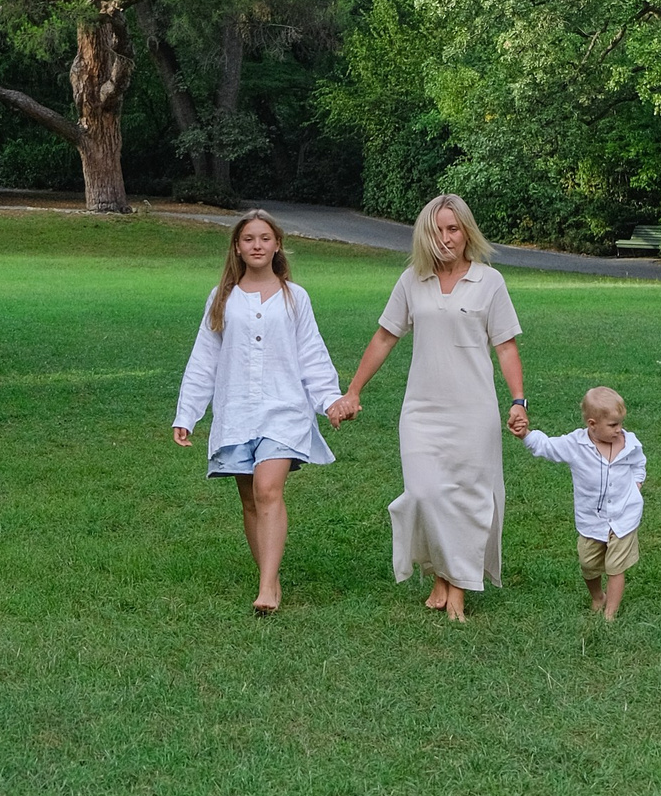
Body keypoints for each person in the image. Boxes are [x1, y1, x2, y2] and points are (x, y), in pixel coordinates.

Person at [328, 193, 527, 623]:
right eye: (436, 231)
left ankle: (455, 588)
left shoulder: (490, 282)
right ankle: (442, 572)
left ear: (466, 232)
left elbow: (506, 347)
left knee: (469, 500)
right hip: (421, 411)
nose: (445, 238)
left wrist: (518, 402)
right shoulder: (411, 281)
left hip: (474, 412)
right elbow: (385, 336)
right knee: (424, 494)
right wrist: (353, 391)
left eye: (453, 229)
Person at [173, 209, 342, 616]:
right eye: (249, 239)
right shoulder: (222, 299)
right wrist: (187, 414)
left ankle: (267, 587)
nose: (257, 245)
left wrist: (330, 400)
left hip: (284, 410)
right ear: (237, 246)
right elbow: (204, 359)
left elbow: (312, 354)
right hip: (237, 412)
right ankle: (270, 576)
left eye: (265, 238)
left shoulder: (295, 297)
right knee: (250, 499)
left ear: (277, 244)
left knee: (268, 489)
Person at [520, 385, 647, 622]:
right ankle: (598, 596)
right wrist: (526, 435)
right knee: (588, 563)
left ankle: (610, 615)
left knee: (616, 567)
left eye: (620, 423)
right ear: (592, 424)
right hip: (592, 520)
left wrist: (637, 484)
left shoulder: (629, 443)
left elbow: (639, 464)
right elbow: (548, 447)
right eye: (613, 425)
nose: (619, 430)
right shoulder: (576, 445)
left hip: (624, 516)